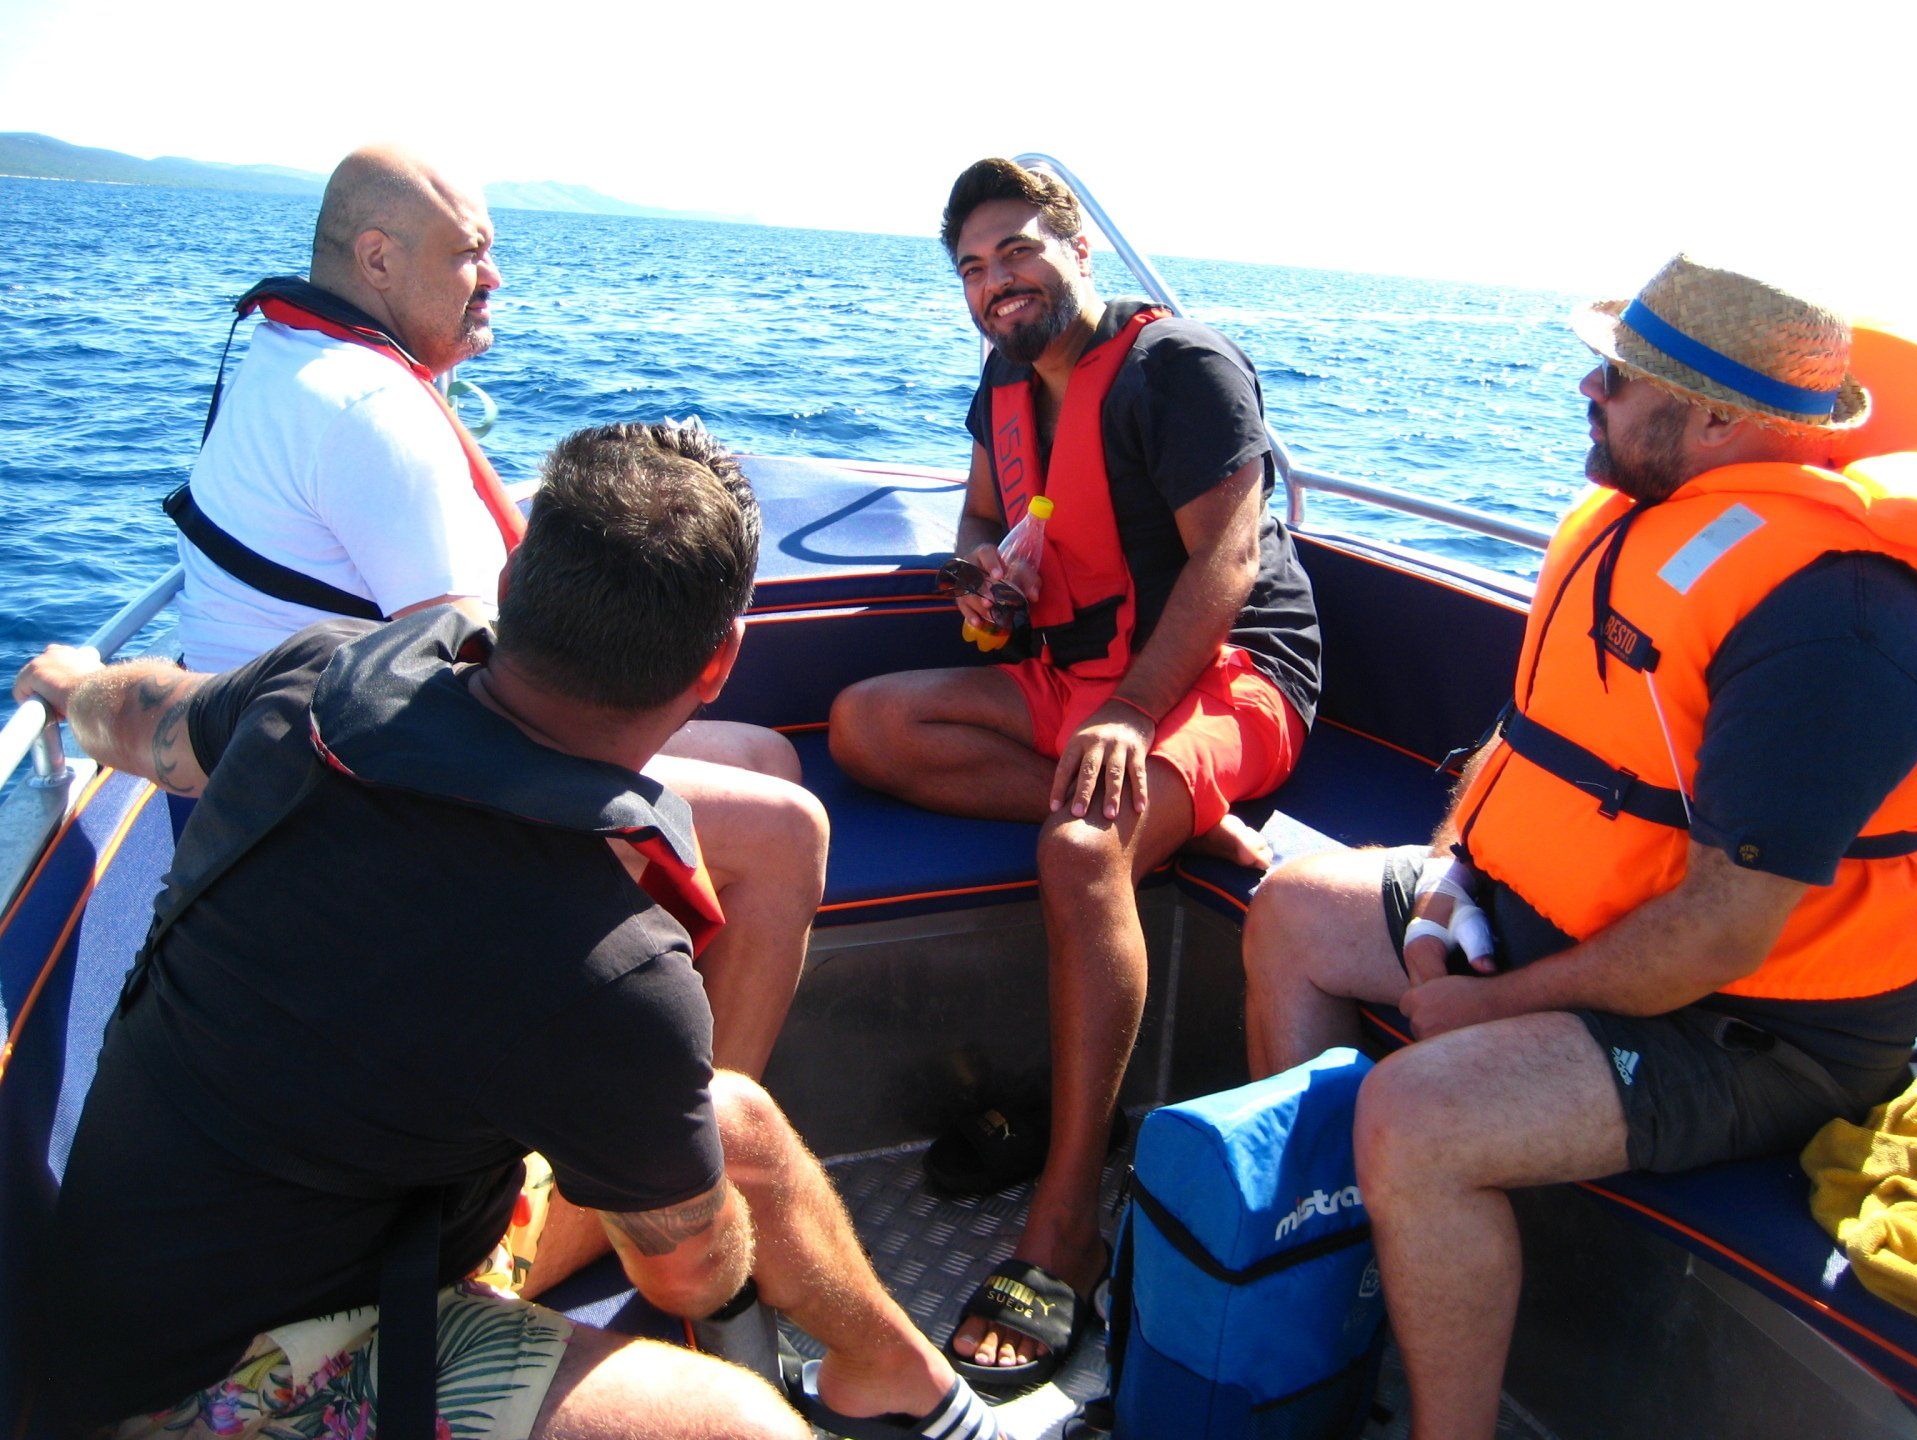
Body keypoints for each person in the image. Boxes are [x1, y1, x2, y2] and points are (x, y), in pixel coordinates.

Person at [16, 423, 999, 1440]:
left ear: (517, 568)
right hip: (209, 1377)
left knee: (732, 1118)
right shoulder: (611, 973)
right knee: (739, 1424)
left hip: (342, 1228)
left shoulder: (313, 688)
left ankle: (894, 1372)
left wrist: (65, 685)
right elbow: (695, 1276)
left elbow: (147, 717)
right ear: (720, 664)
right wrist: (637, 1155)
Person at [1240, 255, 1917, 1440]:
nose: (1584, 390)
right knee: (1297, 908)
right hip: (1573, 926)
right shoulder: (1638, 519)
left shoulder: (1835, 618)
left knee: (1418, 1115)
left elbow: (1725, 928)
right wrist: (1452, 875)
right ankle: (1301, 1306)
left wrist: (1490, 1011)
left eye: (1616, 375)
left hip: (1753, 1027)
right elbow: (1524, 747)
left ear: (1715, 415)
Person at [170, 144, 823, 1082]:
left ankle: (629, 1056)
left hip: (280, 759)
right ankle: (696, 1146)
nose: (495, 277)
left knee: (765, 755)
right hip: (364, 808)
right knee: (788, 832)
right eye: (469, 253)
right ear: (379, 259)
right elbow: (473, 687)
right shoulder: (372, 415)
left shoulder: (284, 359)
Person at [828, 158, 1322, 1389]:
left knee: (1081, 847)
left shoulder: (1180, 369)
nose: (998, 283)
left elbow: (1230, 565)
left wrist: (1141, 713)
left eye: (1018, 252)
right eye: (974, 269)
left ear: (1080, 247)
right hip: (1078, 684)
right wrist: (983, 580)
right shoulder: (1000, 385)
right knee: (863, 727)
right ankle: (1182, 814)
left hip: (1225, 676)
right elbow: (982, 531)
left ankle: (1065, 1225)